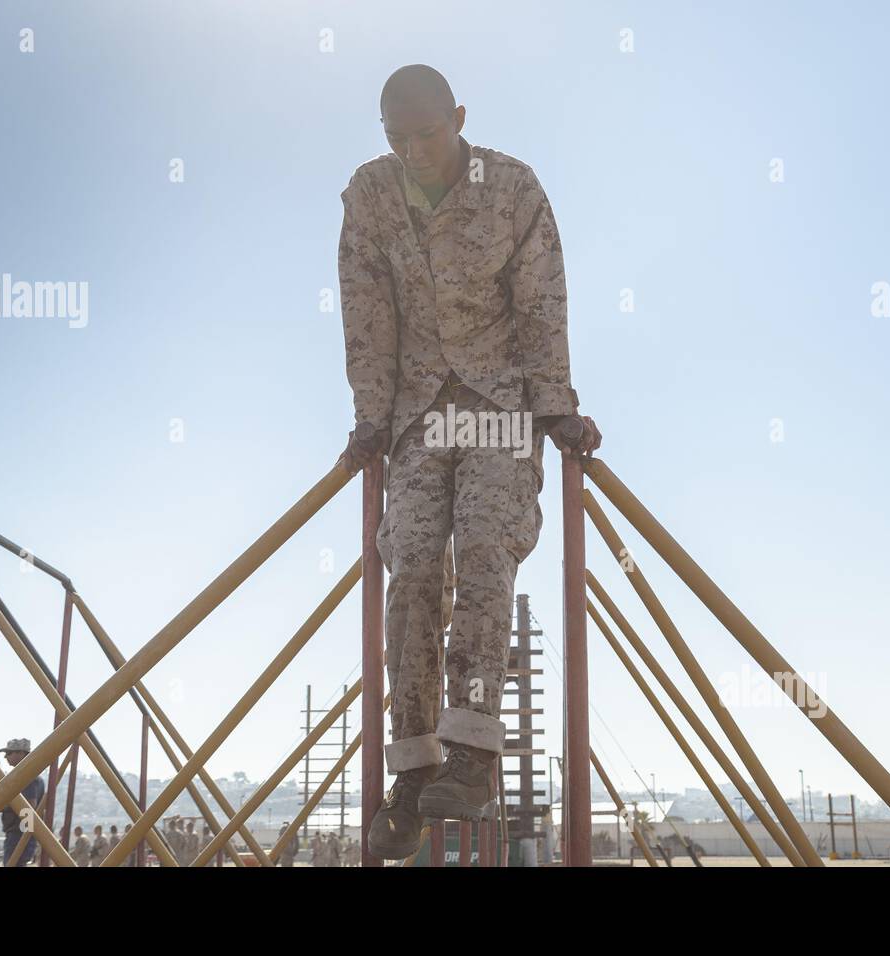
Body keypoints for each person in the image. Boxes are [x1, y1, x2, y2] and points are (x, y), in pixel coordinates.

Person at [338, 64, 600, 862]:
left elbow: (542, 297)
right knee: (411, 567)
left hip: (499, 403)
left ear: (458, 116)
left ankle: (472, 752)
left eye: (426, 133)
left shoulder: (512, 188)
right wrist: (370, 420)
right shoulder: (370, 195)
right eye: (396, 136)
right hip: (419, 411)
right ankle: (413, 769)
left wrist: (553, 403)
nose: (413, 150)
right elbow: (366, 311)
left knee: (486, 552)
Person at [0, 738, 45, 866]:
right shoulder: (28, 776)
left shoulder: (27, 777)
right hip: (22, 832)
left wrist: (5, 804)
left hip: (19, 833)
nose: (6, 757)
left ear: (21, 754)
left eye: (9, 753)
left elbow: (29, 807)